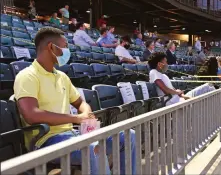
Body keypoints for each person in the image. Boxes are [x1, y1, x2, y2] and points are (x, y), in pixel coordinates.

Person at [13, 27, 136, 175]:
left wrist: (86, 114)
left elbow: (80, 103)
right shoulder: (27, 76)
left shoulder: (61, 76)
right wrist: (76, 118)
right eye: (64, 46)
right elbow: (31, 115)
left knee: (128, 135)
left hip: (73, 134)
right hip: (45, 141)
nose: (67, 50)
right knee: (92, 147)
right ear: (51, 47)